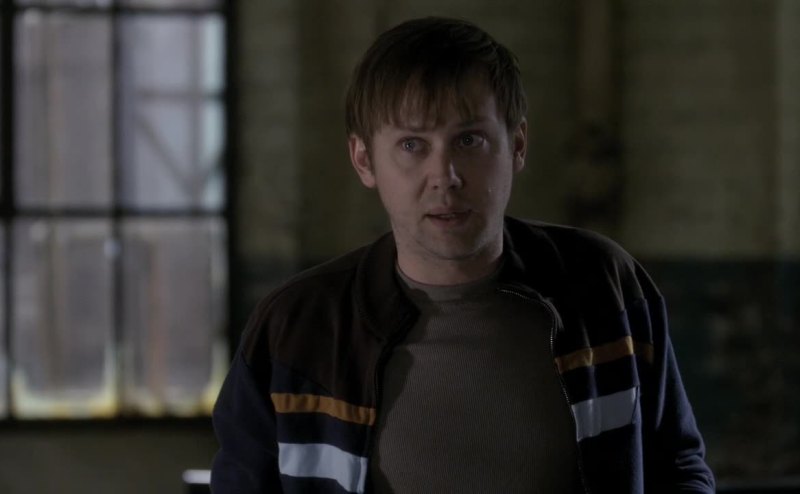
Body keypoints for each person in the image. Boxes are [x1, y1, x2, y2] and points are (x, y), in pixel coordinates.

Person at [211, 16, 715, 494]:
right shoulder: (297, 329)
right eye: (412, 145)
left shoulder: (604, 286)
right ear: (364, 160)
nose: (445, 176)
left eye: (469, 140)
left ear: (517, 145)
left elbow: (678, 465)